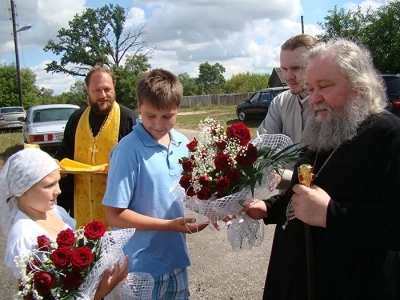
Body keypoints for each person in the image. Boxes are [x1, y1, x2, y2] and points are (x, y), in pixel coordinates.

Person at [244, 39, 400, 299]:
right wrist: (268, 208)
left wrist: (331, 214)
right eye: (310, 88)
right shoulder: (324, 129)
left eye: (324, 86)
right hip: (296, 275)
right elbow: (303, 186)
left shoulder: (389, 138)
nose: (313, 99)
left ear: (360, 87)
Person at [102, 69, 209, 300]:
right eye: (151, 116)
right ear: (139, 105)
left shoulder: (182, 143)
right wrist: (169, 225)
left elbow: (190, 192)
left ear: (178, 108)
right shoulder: (127, 151)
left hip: (175, 260)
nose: (159, 124)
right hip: (138, 267)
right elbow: (114, 215)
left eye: (168, 116)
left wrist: (217, 210)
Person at [0, 148, 129, 300]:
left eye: (58, 182)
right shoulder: (24, 236)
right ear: (22, 190)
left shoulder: (56, 211)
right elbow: (39, 295)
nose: (59, 191)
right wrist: (100, 292)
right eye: (49, 186)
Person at [54, 64, 138, 227]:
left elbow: (140, 163)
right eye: (97, 90)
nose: (103, 95)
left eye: (107, 89)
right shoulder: (76, 118)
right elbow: (65, 151)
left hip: (118, 209)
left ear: (114, 88)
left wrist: (118, 173)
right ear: (87, 90)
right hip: (82, 207)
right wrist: (57, 165)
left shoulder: (128, 119)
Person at [258, 34, 317, 189]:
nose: (288, 76)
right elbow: (262, 149)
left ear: (316, 65)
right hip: (283, 201)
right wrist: (273, 170)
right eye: (284, 69)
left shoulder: (331, 104)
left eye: (296, 68)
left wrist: (283, 175)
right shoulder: (280, 102)